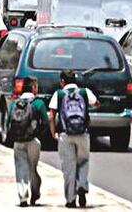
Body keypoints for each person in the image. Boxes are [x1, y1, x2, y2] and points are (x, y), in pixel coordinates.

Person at [49, 70, 98, 208]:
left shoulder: (58, 94)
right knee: (83, 161)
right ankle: (82, 185)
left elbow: (51, 116)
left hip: (65, 134)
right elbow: (95, 103)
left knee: (68, 167)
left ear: (62, 81)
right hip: (82, 133)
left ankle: (70, 200)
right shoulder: (84, 92)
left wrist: (53, 133)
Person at [4, 78, 48, 207]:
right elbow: (45, 122)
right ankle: (35, 192)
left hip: (18, 141)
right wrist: (38, 134)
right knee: (32, 168)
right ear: (33, 88)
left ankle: (23, 196)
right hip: (33, 140)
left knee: (20, 168)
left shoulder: (14, 104)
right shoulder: (38, 103)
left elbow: (8, 122)